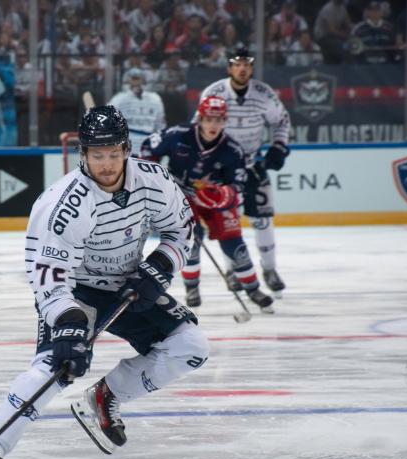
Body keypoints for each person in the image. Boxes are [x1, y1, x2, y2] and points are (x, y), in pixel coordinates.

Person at [0, 106, 208, 459]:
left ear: (126, 149)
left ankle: (107, 396)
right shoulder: (63, 203)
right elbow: (47, 275)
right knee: (57, 366)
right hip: (76, 290)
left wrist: (161, 266)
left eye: (112, 153)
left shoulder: (154, 181)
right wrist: (67, 319)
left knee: (191, 348)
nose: (106, 164)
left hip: (129, 285)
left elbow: (183, 231)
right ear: (83, 154)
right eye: (96, 155)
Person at [140, 95, 273, 311]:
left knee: (234, 242)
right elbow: (147, 148)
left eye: (219, 120)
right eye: (209, 119)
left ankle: (253, 288)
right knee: (192, 239)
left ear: (224, 121)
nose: (213, 124)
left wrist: (222, 194)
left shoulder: (232, 149)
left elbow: (238, 185)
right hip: (179, 194)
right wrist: (153, 175)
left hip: (213, 199)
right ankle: (192, 287)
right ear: (200, 119)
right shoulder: (178, 134)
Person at [197, 47, 291, 298]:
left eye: (246, 65)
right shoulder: (214, 93)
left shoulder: (264, 94)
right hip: (221, 169)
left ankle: (270, 269)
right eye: (237, 64)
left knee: (263, 220)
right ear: (229, 68)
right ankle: (233, 271)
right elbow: (199, 126)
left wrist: (279, 146)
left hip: (252, 165)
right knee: (228, 221)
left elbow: (281, 120)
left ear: (251, 68)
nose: (242, 69)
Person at [107, 68, 166, 156]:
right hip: (127, 146)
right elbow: (107, 119)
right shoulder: (118, 99)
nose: (136, 82)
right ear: (128, 80)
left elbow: (160, 124)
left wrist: (159, 144)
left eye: (138, 78)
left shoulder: (155, 99)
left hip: (148, 146)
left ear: (143, 79)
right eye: (133, 78)